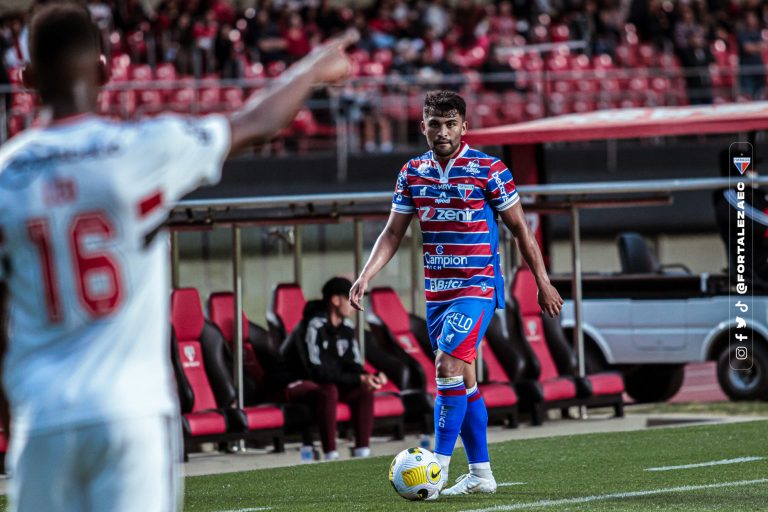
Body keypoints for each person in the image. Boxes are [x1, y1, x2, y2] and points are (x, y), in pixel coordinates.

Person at [0, 3, 355, 511]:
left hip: (43, 417)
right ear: (104, 69)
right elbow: (258, 122)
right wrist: (313, 68)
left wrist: (11, 414)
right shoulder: (143, 148)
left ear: (26, 76)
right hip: (132, 412)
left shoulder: (6, 174)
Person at [350, 90, 562, 497]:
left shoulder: (490, 169)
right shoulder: (411, 172)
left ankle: (438, 468)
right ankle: (481, 474)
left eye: (451, 124)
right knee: (463, 381)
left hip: (477, 287)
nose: (442, 132)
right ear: (423, 126)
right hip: (437, 294)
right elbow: (393, 232)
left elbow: (520, 229)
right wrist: (365, 276)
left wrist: (542, 281)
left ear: (464, 127)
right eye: (435, 124)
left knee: (446, 366)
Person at [280, 277, 386, 460]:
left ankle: (363, 452)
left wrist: (369, 377)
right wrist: (357, 378)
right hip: (296, 382)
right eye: (352, 297)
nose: (356, 303)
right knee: (329, 391)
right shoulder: (313, 326)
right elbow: (317, 372)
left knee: (364, 390)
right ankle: (330, 454)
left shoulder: (346, 327)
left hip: (328, 384)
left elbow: (352, 365)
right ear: (335, 300)